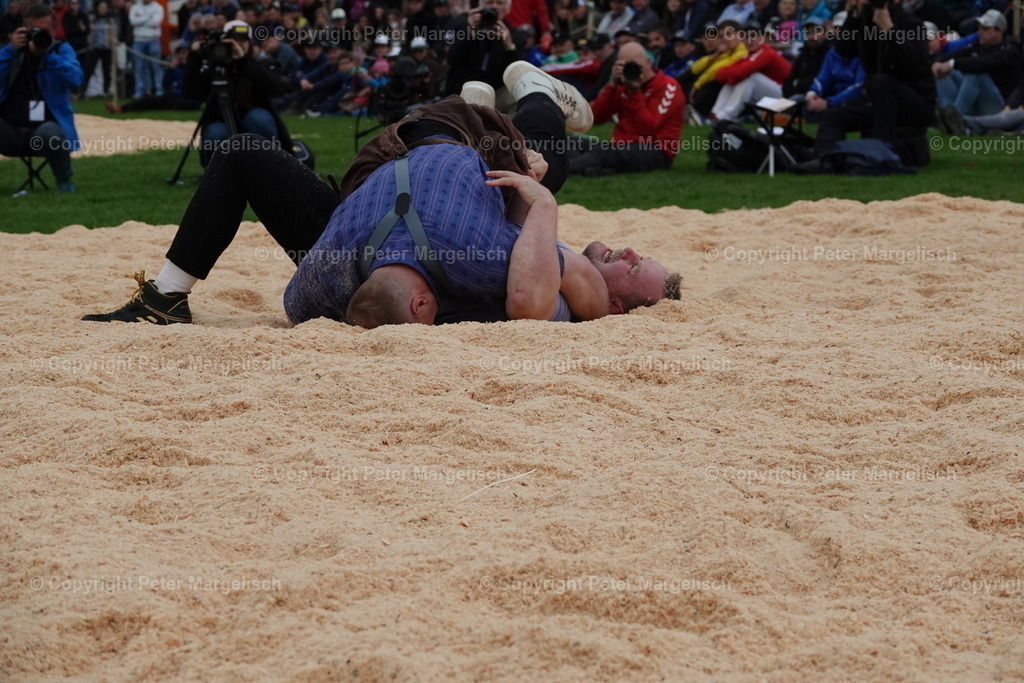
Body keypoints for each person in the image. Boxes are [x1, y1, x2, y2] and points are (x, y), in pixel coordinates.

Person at [83, 63, 680, 327]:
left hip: (361, 213)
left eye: (632, 268)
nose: (625, 252)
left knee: (244, 154)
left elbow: (539, 295)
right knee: (538, 168)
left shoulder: (557, 290)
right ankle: (530, 92)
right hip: (432, 169)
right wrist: (536, 198)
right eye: (636, 253)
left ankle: (495, 96)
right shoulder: (520, 277)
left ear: (621, 308)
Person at [811, 0, 935, 158]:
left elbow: (914, 61)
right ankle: (827, 160)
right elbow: (844, 51)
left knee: (881, 82)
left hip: (915, 103)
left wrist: (889, 29)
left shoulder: (911, 23)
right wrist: (854, 14)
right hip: (879, 100)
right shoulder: (866, 23)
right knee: (833, 116)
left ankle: (882, 156)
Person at [0, 2, 83, 193]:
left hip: (44, 131)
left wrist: (47, 56)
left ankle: (64, 179)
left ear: (54, 29)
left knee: (49, 133)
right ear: (24, 28)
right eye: (35, 30)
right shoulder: (10, 50)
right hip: (10, 130)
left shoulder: (61, 50)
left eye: (46, 30)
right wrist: (10, 50)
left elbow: (76, 78)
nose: (40, 35)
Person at [568, 41, 685, 176]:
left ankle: (563, 170)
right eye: (624, 65)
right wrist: (611, 85)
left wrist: (635, 92)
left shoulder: (668, 87)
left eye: (634, 65)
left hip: (656, 150)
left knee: (603, 153)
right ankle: (592, 169)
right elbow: (596, 118)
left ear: (648, 62)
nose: (630, 70)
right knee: (566, 141)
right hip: (619, 147)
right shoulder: (622, 84)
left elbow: (648, 128)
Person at [183, 19, 289, 166]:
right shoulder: (216, 68)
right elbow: (190, 92)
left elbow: (271, 86)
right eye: (234, 41)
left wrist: (243, 60)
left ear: (250, 43)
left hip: (252, 119)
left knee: (257, 119)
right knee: (216, 133)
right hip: (223, 122)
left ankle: (269, 169)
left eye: (243, 41)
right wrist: (194, 58)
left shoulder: (261, 63)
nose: (238, 45)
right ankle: (220, 178)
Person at [933, 9, 1022, 126]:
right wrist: (937, 63)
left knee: (976, 75)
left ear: (999, 31)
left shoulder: (1009, 50)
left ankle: (956, 117)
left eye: (985, 28)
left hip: (1001, 107)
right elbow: (954, 55)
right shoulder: (979, 45)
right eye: (979, 28)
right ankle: (947, 114)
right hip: (980, 102)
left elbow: (982, 63)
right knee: (945, 71)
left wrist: (952, 64)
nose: (980, 32)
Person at [443, 0, 526, 106]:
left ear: (508, 9)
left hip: (496, 94)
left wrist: (509, 47)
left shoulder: (516, 37)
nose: (494, 7)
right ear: (480, 7)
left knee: (514, 98)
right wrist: (469, 33)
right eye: (489, 3)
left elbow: (518, 75)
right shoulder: (464, 26)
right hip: (463, 91)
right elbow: (452, 59)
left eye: (500, 3)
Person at [710, 20, 791, 120]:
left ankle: (725, 116)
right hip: (771, 98)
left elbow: (739, 73)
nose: (749, 40)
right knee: (735, 81)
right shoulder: (748, 55)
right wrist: (732, 78)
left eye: (753, 36)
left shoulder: (766, 53)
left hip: (786, 101)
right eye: (745, 37)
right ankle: (715, 114)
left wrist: (732, 77)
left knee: (750, 78)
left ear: (761, 38)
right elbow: (718, 74)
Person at [129, 0, 164, 98]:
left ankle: (159, 90)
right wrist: (148, 17)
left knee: (156, 66)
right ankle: (140, 91)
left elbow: (155, 22)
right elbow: (132, 21)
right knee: (139, 67)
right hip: (138, 40)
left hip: (153, 39)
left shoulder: (158, 7)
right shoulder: (135, 6)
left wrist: (140, 19)